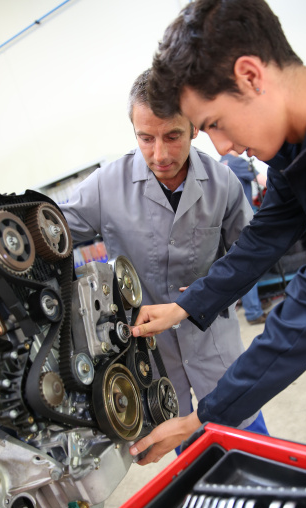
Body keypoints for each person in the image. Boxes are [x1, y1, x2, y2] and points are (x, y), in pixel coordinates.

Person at [128, 0, 306, 464]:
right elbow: (262, 239)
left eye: (214, 124)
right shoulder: (299, 143)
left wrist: (203, 417)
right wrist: (186, 304)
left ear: (250, 76)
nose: (222, 147)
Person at [61, 69, 268, 436]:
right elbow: (51, 229)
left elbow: (250, 256)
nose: (159, 154)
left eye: (173, 136)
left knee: (249, 442)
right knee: (187, 457)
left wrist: (214, 294)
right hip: (151, 356)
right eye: (145, 138)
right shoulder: (107, 186)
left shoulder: (223, 184)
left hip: (213, 342)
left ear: (194, 128)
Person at [220, 150, 268, 325]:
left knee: (238, 265)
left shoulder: (220, 163)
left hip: (226, 224)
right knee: (248, 264)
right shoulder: (237, 162)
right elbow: (264, 180)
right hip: (242, 221)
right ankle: (254, 312)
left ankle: (252, 306)